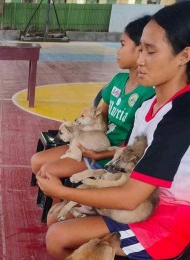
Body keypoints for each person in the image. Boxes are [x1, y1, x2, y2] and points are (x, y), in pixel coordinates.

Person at [37, 2, 190, 259]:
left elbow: (131, 198)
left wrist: (63, 192)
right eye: (139, 49)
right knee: (57, 219)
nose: (140, 60)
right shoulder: (148, 106)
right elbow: (127, 158)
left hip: (164, 222)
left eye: (150, 52)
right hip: (141, 205)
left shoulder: (181, 116)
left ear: (184, 56)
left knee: (58, 236)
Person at [31, 15, 155, 207]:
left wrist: (100, 154)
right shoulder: (118, 81)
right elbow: (99, 117)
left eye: (122, 44)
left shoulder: (148, 93)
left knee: (48, 171)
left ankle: (62, 209)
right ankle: (61, 206)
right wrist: (78, 130)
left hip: (109, 154)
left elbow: (135, 145)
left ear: (141, 50)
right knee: (36, 162)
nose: (118, 50)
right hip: (91, 143)